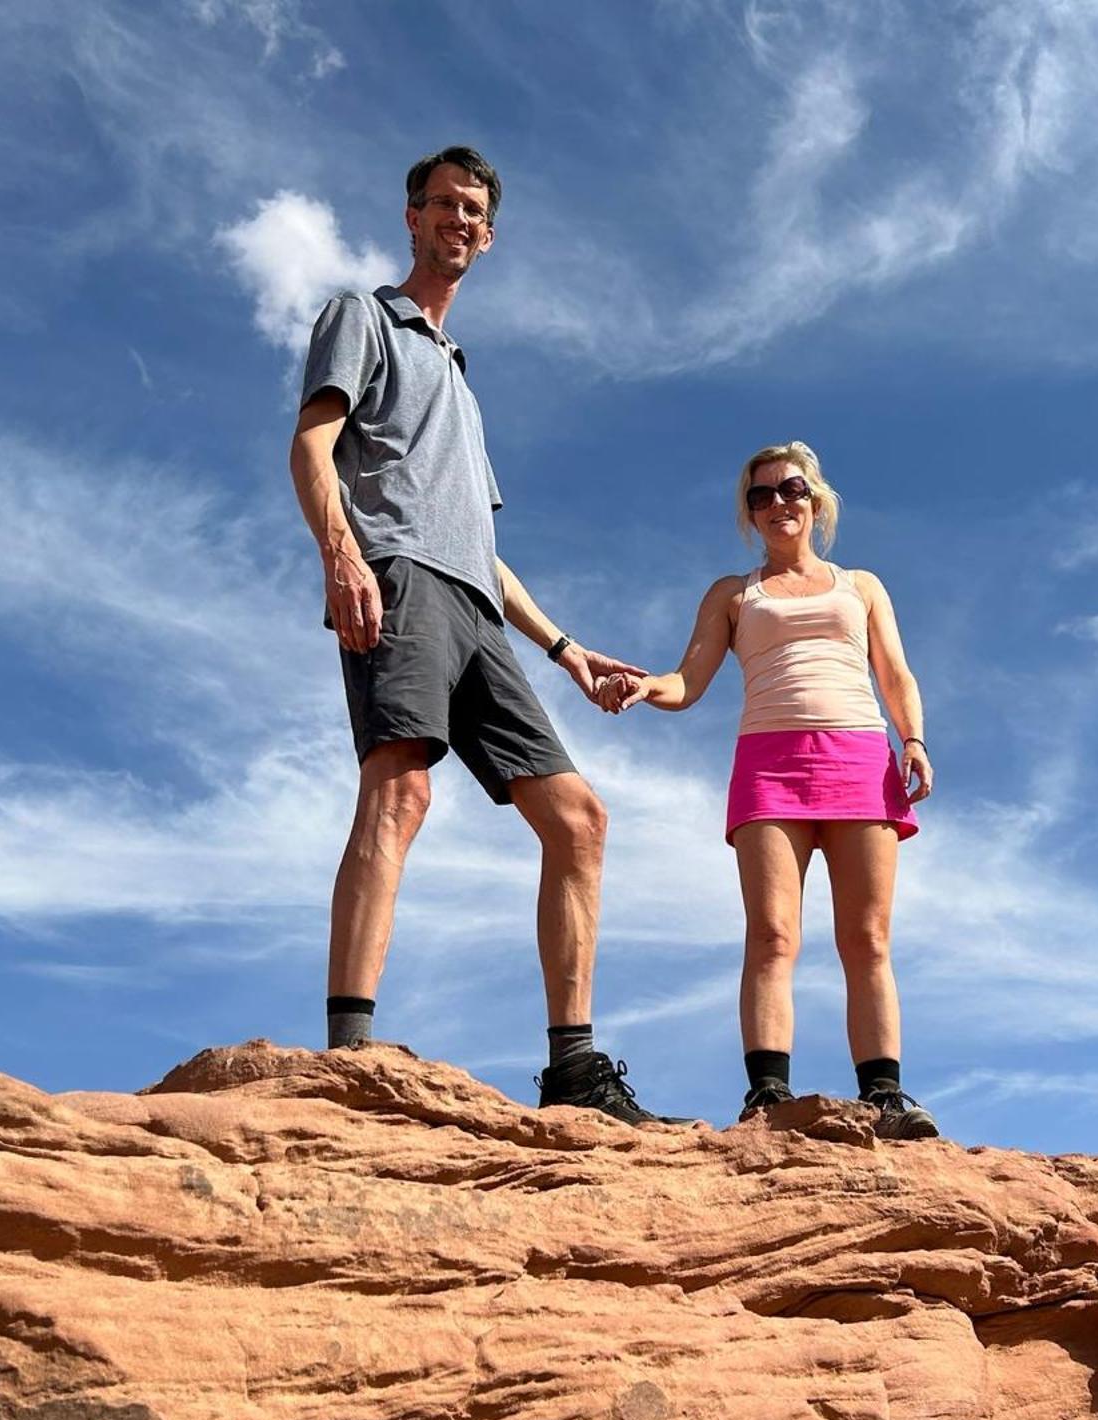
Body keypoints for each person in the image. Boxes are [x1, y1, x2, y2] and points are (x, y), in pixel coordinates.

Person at [287, 145, 677, 1125]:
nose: (459, 220)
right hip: (398, 577)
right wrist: (341, 558)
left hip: (474, 606)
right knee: (401, 785)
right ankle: (347, 1053)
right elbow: (310, 447)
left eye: (475, 211)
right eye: (443, 205)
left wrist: (567, 650)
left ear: (489, 237)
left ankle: (573, 1072)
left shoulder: (460, 382)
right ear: (410, 216)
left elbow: (486, 551)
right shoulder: (365, 318)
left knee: (578, 816)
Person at [597, 442, 939, 1138]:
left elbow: (894, 674)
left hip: (858, 757)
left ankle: (885, 1098)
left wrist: (913, 740)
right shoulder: (733, 594)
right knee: (773, 934)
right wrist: (643, 687)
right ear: (749, 515)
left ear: (816, 501)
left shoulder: (862, 586)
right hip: (769, 764)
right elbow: (688, 680)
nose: (778, 503)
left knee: (867, 937)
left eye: (791, 489)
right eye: (761, 495)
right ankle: (767, 1094)